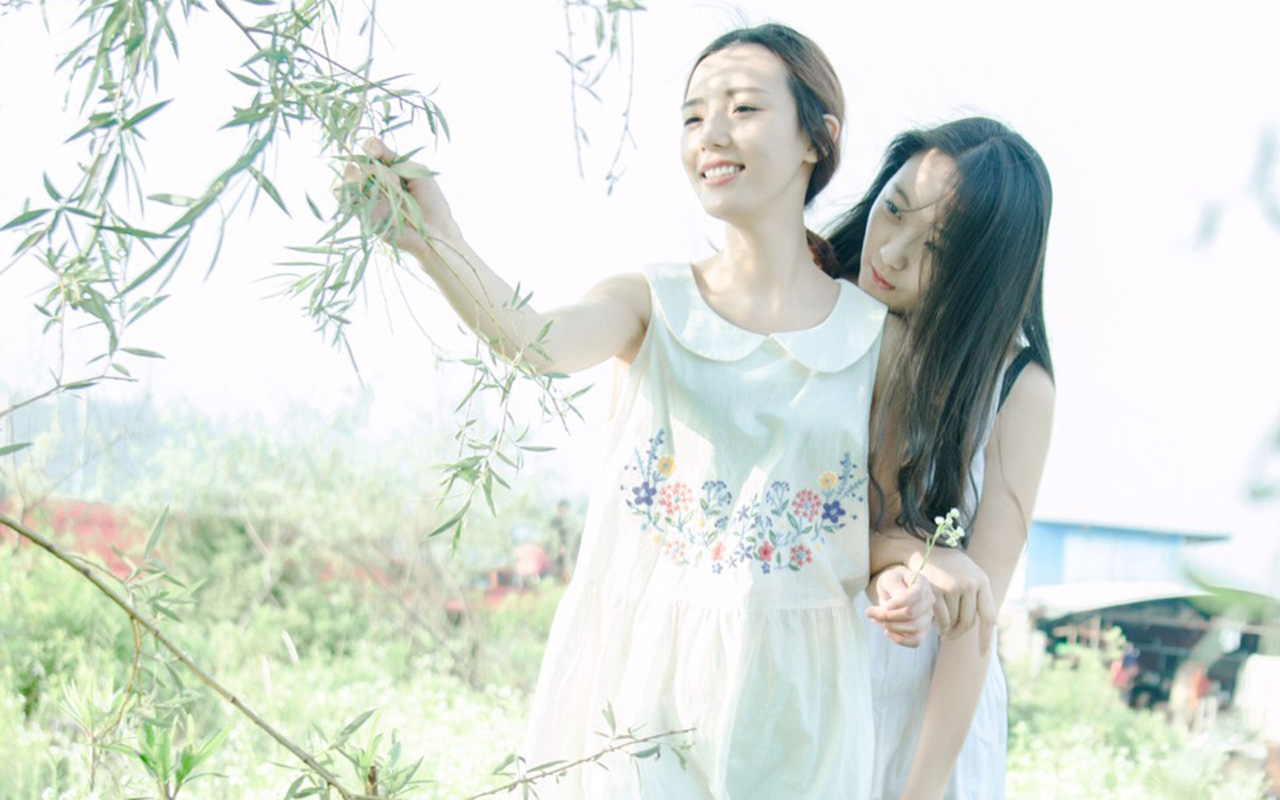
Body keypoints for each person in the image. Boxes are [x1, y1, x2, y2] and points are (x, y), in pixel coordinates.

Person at [345, 22, 940, 800]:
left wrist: (906, 578)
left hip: (798, 702)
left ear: (815, 139)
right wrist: (434, 239)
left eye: (742, 108)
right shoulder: (652, 302)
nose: (710, 134)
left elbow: (882, 524)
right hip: (645, 684)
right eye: (693, 116)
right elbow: (530, 339)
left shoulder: (875, 341)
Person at [828, 117, 1056, 800]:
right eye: (893, 210)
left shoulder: (1014, 387)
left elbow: (974, 621)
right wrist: (910, 554)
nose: (890, 253)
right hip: (806, 669)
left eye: (935, 248)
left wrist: (922, 788)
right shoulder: (817, 312)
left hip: (923, 715)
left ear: (984, 273)